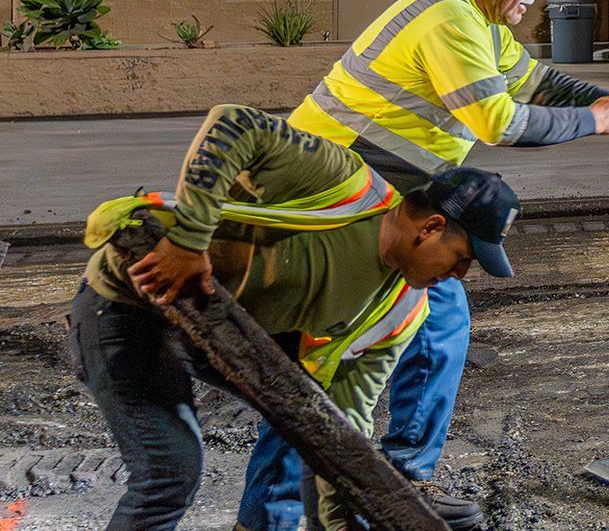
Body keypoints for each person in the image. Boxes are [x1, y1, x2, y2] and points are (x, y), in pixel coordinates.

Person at [232, 0, 609, 531]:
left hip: (384, 193)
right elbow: (498, 122)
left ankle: (389, 480)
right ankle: (302, 508)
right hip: (333, 198)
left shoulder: (487, 25)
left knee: (421, 328)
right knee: (325, 357)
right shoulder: (447, 17)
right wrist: (599, 120)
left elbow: (539, 83)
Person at [71, 102, 521, 531]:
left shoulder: (401, 309)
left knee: (316, 422)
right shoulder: (344, 184)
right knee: (168, 474)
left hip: (228, 334)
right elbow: (234, 122)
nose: (460, 275)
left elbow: (342, 429)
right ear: (432, 228)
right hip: (130, 307)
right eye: (463, 259)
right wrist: (189, 239)